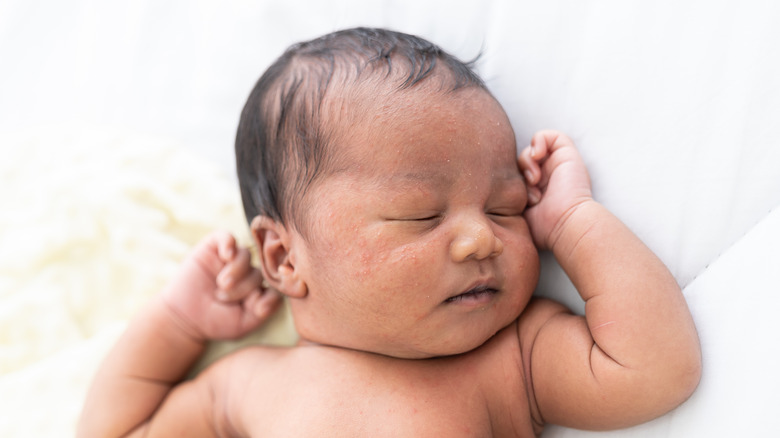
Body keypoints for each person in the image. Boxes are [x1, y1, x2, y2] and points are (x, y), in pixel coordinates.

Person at [78, 27, 701, 437]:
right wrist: (176, 325)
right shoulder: (245, 385)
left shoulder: (511, 361)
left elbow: (656, 369)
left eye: (506, 208)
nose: (479, 239)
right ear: (283, 256)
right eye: (422, 216)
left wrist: (571, 222)